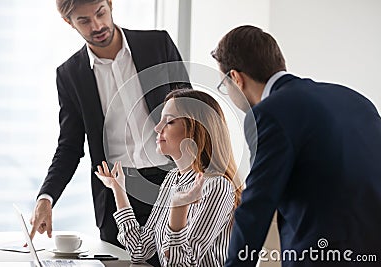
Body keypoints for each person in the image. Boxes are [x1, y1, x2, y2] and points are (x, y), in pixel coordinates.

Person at [30, 1, 187, 265]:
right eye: (84, 21)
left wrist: (218, 177)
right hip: (117, 195)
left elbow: (194, 114)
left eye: (100, 13)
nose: (97, 26)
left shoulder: (157, 45)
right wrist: (46, 197)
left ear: (110, 4)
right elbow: (69, 147)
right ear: (69, 22)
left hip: (174, 185)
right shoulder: (70, 75)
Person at [211, 25, 381, 267]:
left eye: (224, 86)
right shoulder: (356, 100)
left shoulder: (269, 113)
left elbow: (257, 204)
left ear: (236, 78)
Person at [95, 89, 242, 266]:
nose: (157, 128)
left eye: (169, 121)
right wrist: (118, 189)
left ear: (196, 130)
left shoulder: (217, 186)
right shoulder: (173, 179)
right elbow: (139, 249)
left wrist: (177, 209)